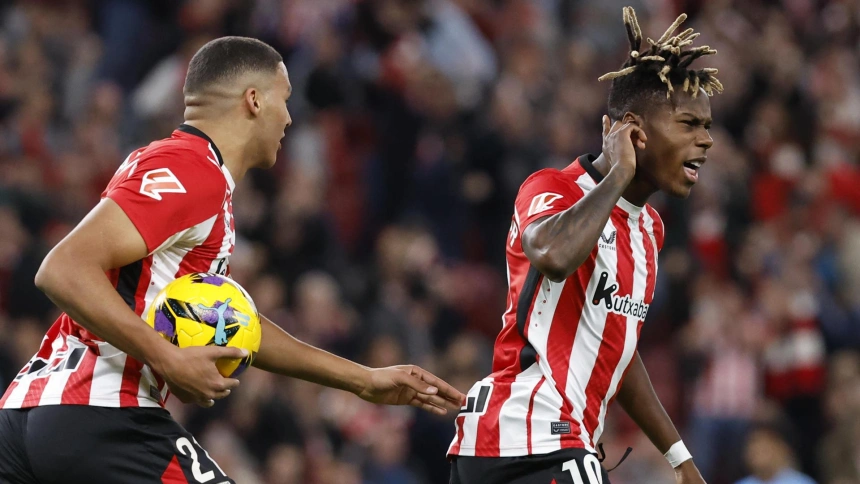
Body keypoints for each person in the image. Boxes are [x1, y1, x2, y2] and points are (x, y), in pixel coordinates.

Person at [0, 36, 464, 484]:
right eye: (285, 100)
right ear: (254, 100)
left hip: (31, 415)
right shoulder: (191, 170)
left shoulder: (194, 176)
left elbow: (237, 326)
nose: (288, 118)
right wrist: (167, 357)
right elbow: (62, 268)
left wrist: (361, 380)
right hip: (100, 411)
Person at [448, 8, 722, 484]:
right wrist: (619, 172)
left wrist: (680, 457)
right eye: (689, 124)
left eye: (707, 126)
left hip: (527, 446)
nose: (706, 140)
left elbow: (614, 347)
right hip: (534, 436)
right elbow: (553, 256)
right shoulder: (553, 188)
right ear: (633, 131)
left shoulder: (650, 230)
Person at [735, 423, 815, 484]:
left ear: (782, 447)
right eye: (752, 445)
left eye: (765, 447)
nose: (757, 450)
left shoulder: (801, 482)